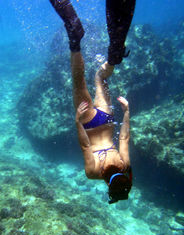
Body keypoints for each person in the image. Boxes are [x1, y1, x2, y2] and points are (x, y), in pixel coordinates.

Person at [49, 0, 136, 204]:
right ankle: (74, 37)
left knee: (100, 77)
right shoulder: (92, 172)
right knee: (78, 81)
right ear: (108, 186)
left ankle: (115, 54)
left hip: (107, 119)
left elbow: (124, 139)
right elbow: (86, 146)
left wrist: (126, 112)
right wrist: (78, 122)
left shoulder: (125, 166)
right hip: (88, 122)